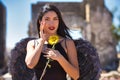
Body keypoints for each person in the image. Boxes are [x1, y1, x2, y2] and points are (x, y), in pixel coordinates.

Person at [25, 4, 79, 80]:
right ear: (41, 22)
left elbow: (75, 75)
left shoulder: (67, 43)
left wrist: (60, 58)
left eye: (55, 19)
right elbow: (30, 64)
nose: (52, 23)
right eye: (47, 19)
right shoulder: (32, 43)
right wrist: (41, 42)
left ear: (59, 21)